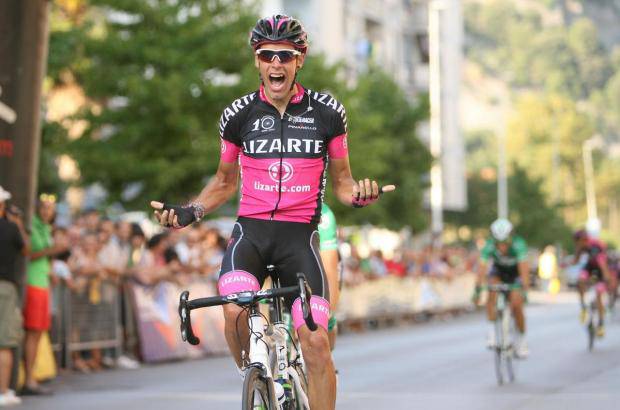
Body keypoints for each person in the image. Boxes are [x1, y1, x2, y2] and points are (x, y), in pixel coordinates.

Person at [151, 14, 394, 410]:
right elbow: (224, 182)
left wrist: (360, 194)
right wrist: (190, 211)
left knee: (315, 342)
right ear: (257, 60)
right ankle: (256, 377)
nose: (276, 63)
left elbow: (344, 183)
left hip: (299, 239)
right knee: (233, 311)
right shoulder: (238, 114)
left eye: (285, 55)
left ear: (300, 59)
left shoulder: (327, 113)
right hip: (251, 234)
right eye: (267, 55)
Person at [22, 194, 67, 395]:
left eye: (50, 208)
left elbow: (43, 257)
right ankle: (28, 379)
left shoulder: (47, 228)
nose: (47, 211)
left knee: (39, 332)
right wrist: (53, 250)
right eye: (44, 207)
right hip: (33, 283)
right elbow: (29, 254)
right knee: (32, 332)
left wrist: (50, 271)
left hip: (42, 283)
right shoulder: (32, 225)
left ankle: (31, 376)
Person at [474, 218, 530, 358]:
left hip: (515, 273)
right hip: (498, 272)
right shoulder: (489, 245)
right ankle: (491, 332)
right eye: (498, 243)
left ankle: (522, 340)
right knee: (491, 292)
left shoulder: (519, 244)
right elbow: (482, 269)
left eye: (505, 243)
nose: (502, 247)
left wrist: (524, 290)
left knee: (517, 305)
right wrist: (477, 289)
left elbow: (524, 271)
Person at [0, 187, 29, 407]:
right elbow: (26, 249)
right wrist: (17, 223)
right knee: (4, 342)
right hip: (5, 287)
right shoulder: (10, 228)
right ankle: (3, 390)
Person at [573, 229, 613, 337]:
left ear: (583, 240)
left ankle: (601, 324)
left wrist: (607, 278)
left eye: (577, 242)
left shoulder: (595, 247)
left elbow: (602, 264)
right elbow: (576, 260)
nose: (576, 245)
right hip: (590, 267)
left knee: (599, 294)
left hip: (601, 269)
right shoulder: (581, 246)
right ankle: (583, 307)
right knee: (580, 280)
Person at [318, 203, 341, 349]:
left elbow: (330, 270)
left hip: (322, 261)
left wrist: (329, 312)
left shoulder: (324, 215)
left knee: (327, 317)